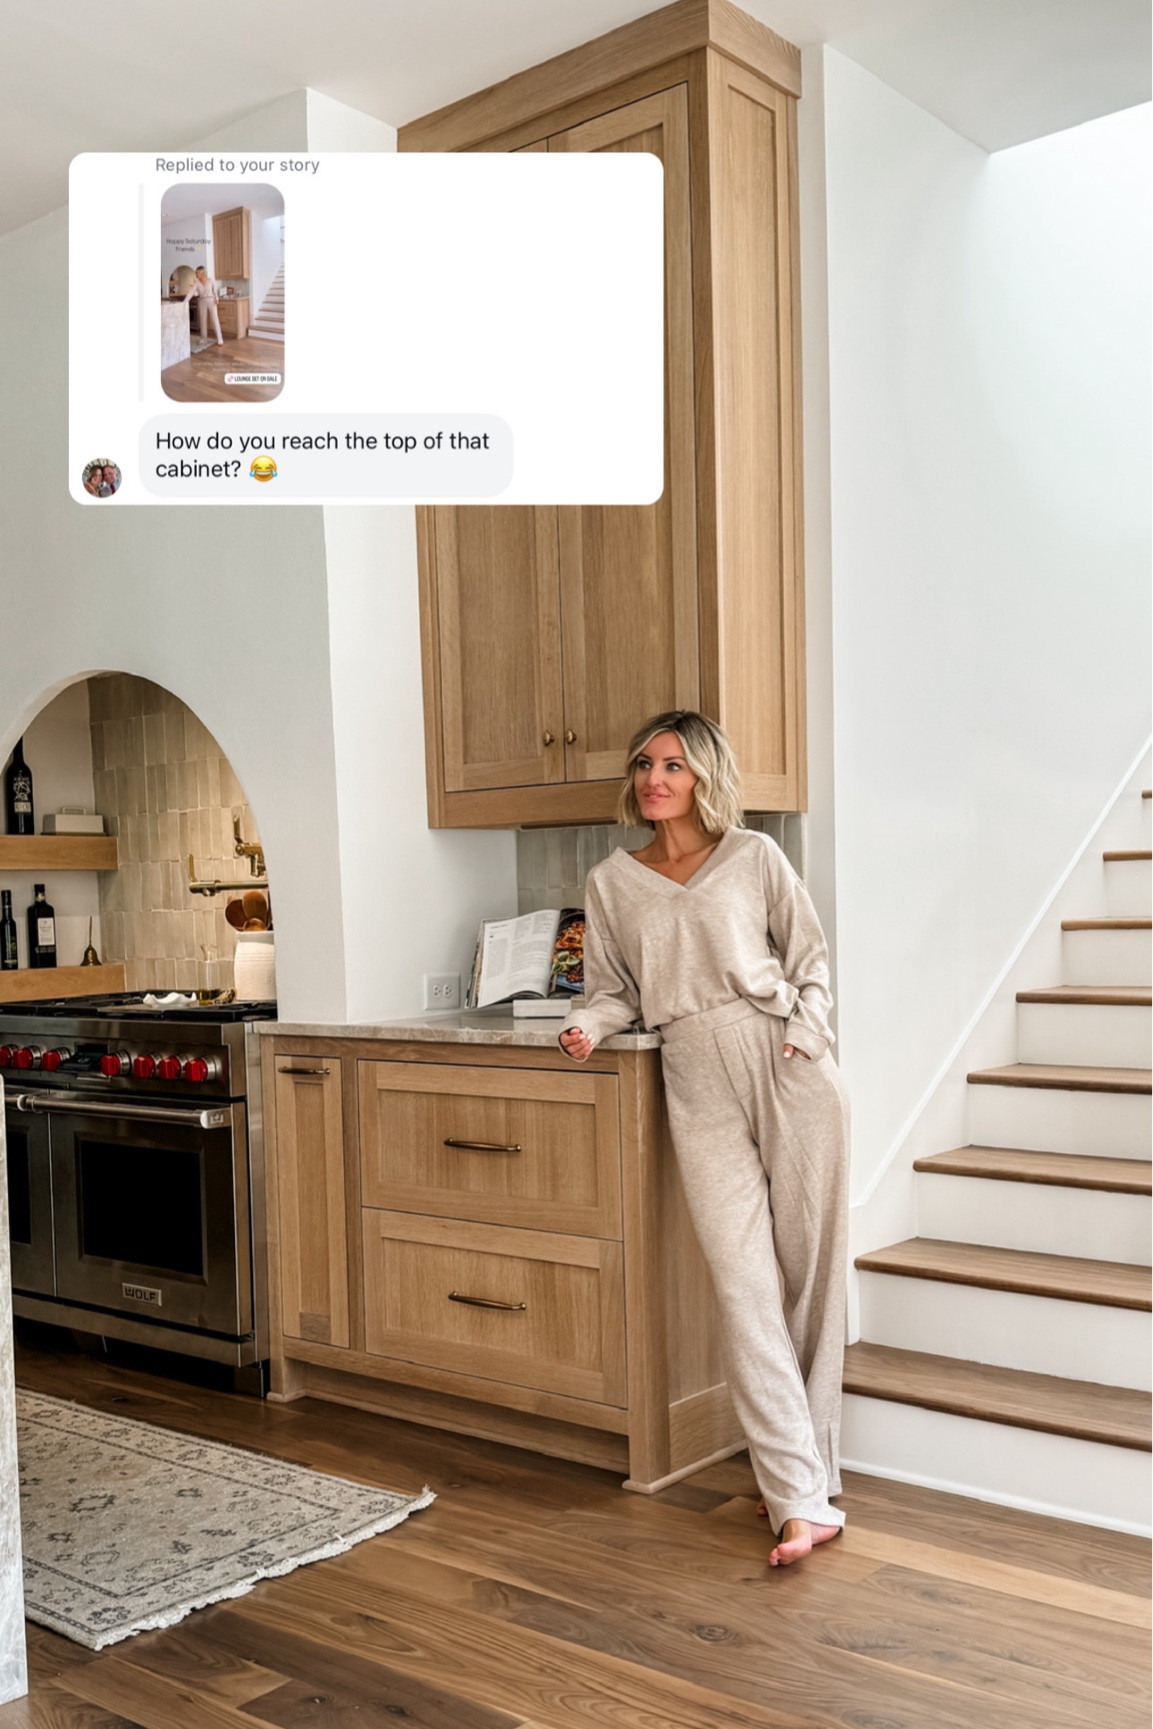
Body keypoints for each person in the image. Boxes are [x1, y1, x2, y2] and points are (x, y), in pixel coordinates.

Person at [558, 710, 850, 1566]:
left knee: (811, 1276)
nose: (655, 778)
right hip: (692, 1071)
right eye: (644, 762)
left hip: (781, 1057)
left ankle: (805, 1485)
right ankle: (801, 1489)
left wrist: (805, 1035)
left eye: (674, 765)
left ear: (702, 776)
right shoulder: (612, 880)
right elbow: (614, 989)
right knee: (744, 1284)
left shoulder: (754, 857)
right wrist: (586, 1023)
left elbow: (810, 962)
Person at [185, 265, 223, 345]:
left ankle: (220, 338)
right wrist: (184, 302)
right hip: (202, 302)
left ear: (202, 273)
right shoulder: (197, 283)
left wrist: (217, 298)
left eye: (198, 272)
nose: (196, 274)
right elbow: (191, 293)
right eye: (196, 273)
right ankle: (203, 339)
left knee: (214, 319)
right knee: (203, 321)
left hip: (211, 300)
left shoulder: (210, 280)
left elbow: (215, 290)